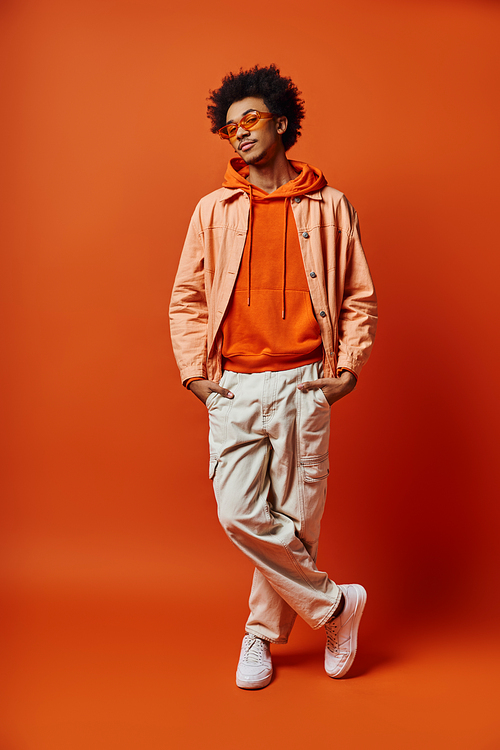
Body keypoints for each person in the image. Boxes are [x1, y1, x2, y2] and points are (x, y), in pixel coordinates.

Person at [169, 64, 377, 689]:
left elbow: (358, 297)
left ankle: (259, 637)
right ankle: (336, 607)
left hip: (305, 382)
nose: (238, 133)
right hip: (232, 384)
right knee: (239, 513)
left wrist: (348, 369)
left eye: (250, 120)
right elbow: (188, 298)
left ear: (282, 123)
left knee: (296, 520)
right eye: (228, 127)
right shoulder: (211, 210)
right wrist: (195, 378)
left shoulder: (332, 206)